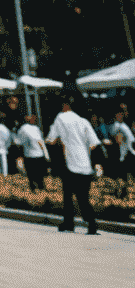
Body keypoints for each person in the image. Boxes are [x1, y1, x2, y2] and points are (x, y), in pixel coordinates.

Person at [47, 98, 101, 233]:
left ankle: (69, 223)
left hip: (70, 162)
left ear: (64, 106)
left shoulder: (60, 117)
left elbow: (51, 140)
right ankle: (91, 223)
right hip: (85, 164)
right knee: (83, 196)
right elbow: (94, 144)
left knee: (68, 195)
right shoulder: (84, 121)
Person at [16, 114, 48, 191]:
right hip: (36, 154)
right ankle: (40, 188)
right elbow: (41, 142)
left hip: (30, 154)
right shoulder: (33, 128)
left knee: (32, 174)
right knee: (38, 174)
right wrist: (46, 154)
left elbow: (19, 142)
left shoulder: (24, 129)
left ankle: (35, 188)